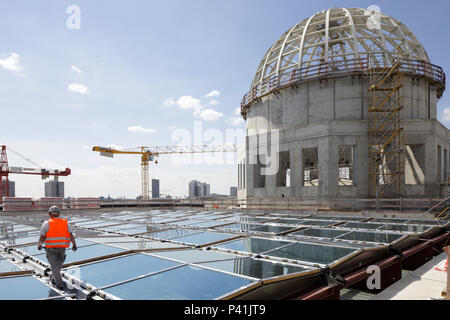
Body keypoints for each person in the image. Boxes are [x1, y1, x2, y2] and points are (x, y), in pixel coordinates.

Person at [37, 206, 77, 289]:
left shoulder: (46, 223)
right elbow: (70, 235)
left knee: (54, 267)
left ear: (49, 214)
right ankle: (53, 279)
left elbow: (42, 236)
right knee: (57, 267)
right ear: (59, 214)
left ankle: (59, 285)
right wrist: (74, 244)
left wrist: (40, 244)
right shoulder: (65, 223)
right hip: (62, 249)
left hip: (51, 249)